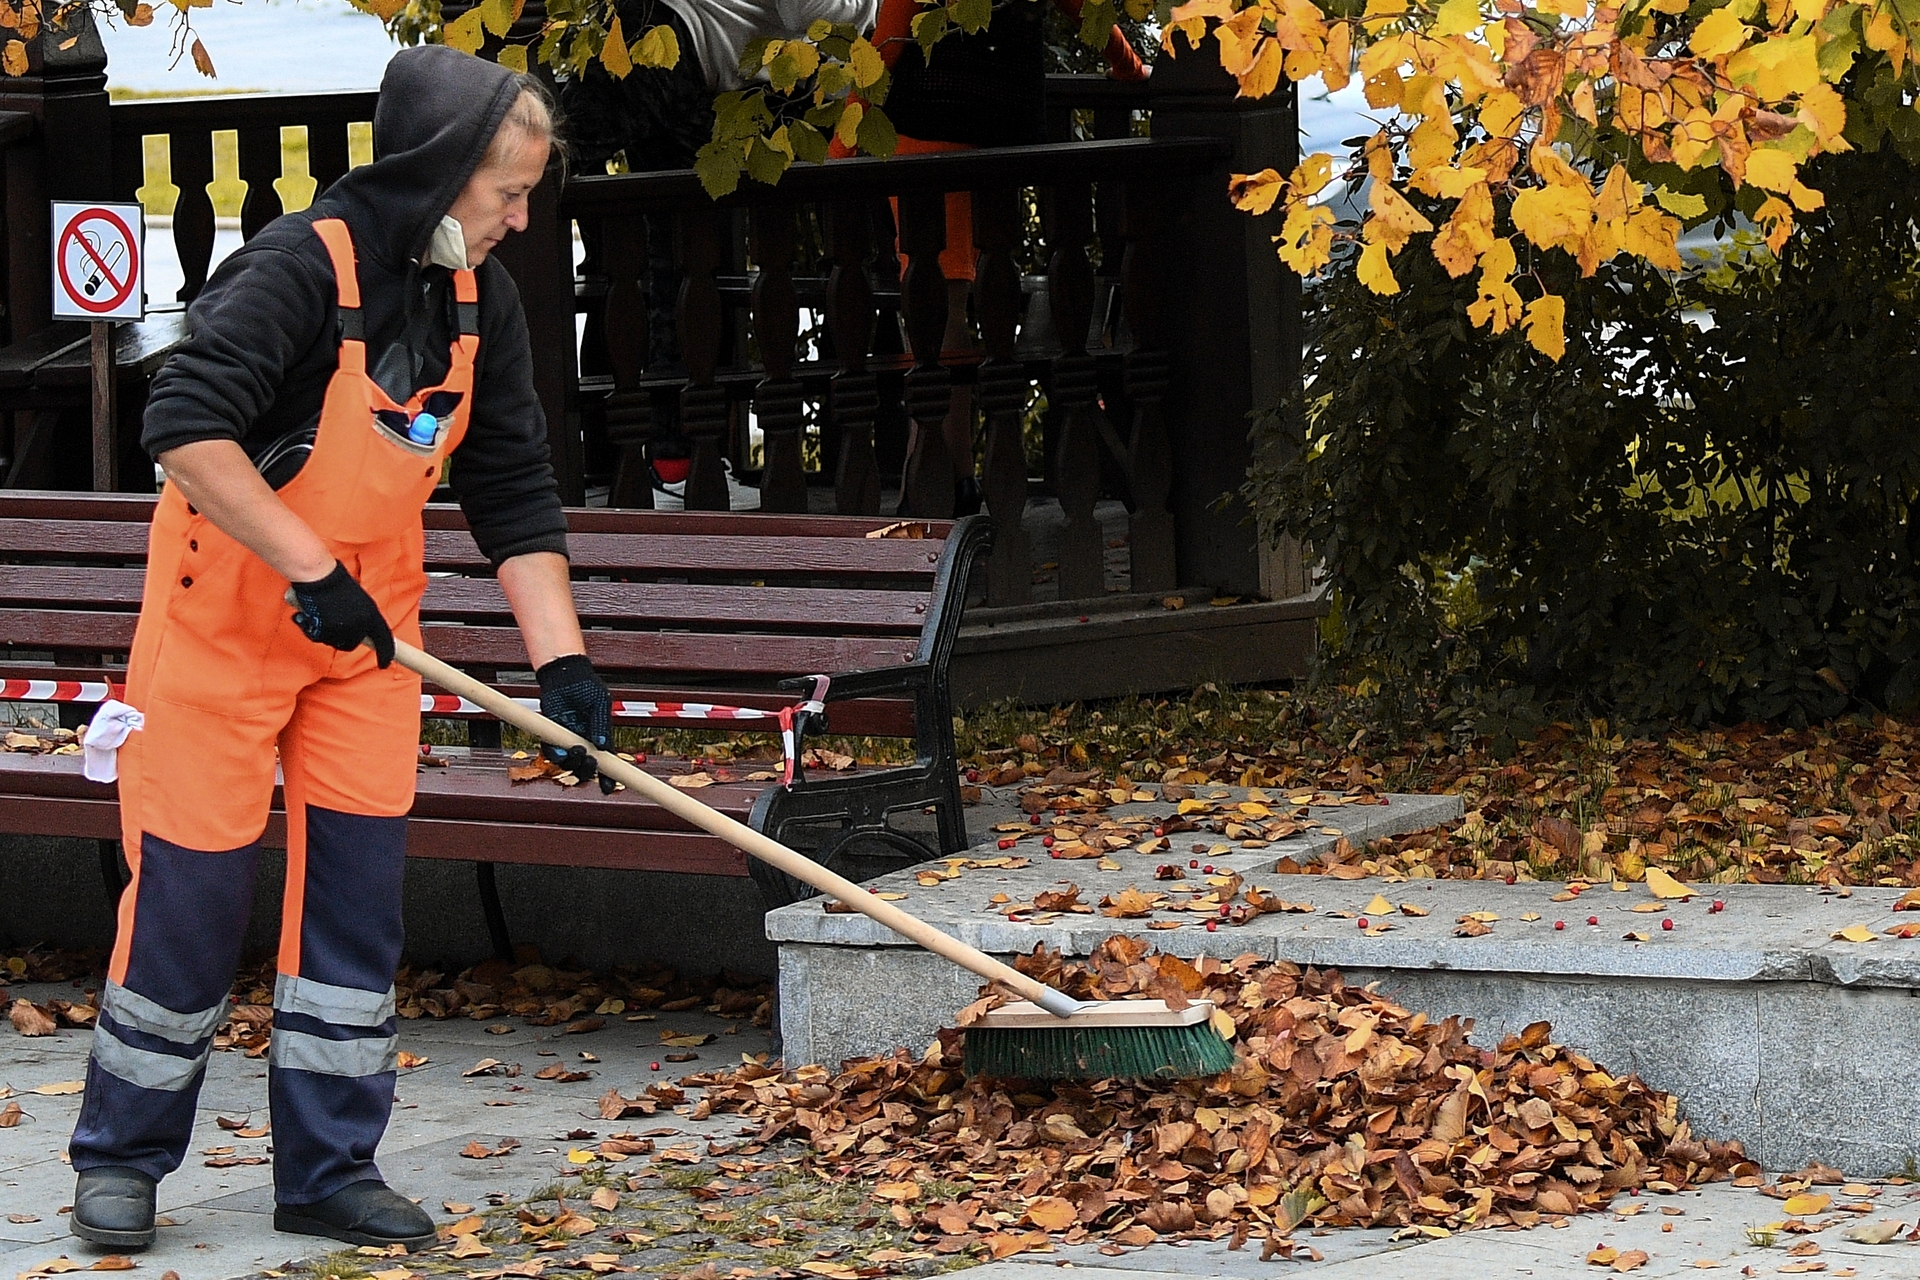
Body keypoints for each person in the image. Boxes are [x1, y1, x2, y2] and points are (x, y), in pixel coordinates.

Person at [64, 46, 615, 1254]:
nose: (522, 219)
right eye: (508, 193)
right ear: (437, 174)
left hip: (367, 652)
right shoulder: (298, 270)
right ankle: (120, 1156)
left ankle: (328, 1168)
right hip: (221, 637)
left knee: (355, 916)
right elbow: (183, 427)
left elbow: (514, 490)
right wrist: (310, 571)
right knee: (190, 907)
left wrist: (562, 669)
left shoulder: (480, 298)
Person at [840, 0, 1147, 514]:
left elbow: (888, 45)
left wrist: (840, 148)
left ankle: (936, 477)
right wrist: (1129, 66)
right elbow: (1085, 11)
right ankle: (949, 476)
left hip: (925, 127)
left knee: (934, 308)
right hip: (1001, 130)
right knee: (955, 303)